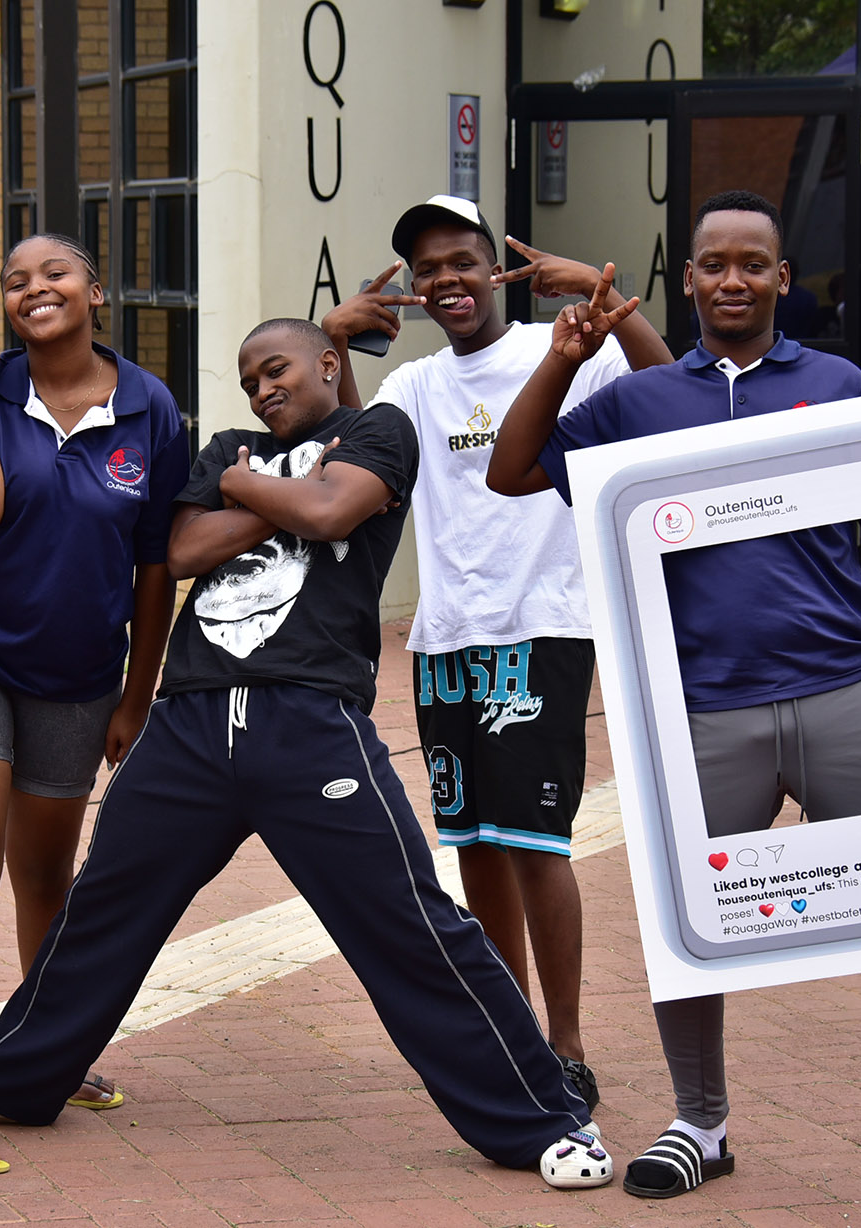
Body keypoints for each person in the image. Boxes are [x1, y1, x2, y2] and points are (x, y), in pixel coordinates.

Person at [487, 191, 861, 1228]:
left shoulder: (837, 384)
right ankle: (700, 1125)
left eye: (752, 263)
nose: (731, 279)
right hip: (699, 714)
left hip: (843, 693)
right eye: (712, 263)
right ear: (688, 279)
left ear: (782, 278)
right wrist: (563, 356)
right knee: (688, 929)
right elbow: (510, 470)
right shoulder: (638, 402)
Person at [0, 318, 613, 1190]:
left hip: (309, 719)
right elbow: (184, 550)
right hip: (189, 722)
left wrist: (243, 489)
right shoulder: (227, 447)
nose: (263, 390)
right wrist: (269, 488)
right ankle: (9, 1082)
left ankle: (540, 1122)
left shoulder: (379, 431)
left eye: (277, 370)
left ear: (329, 364)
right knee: (101, 910)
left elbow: (332, 511)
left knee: (408, 925)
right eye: (250, 380)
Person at [321, 194, 672, 1108]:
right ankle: (513, 1033)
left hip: (543, 625)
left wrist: (605, 296)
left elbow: (670, 387)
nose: (447, 280)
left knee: (536, 843)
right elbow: (357, 455)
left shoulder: (563, 351)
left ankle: (567, 1043)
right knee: (475, 844)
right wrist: (335, 344)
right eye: (428, 269)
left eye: (462, 261)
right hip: (446, 636)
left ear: (497, 269)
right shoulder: (415, 385)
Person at [0, 234, 187, 1174]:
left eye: (54, 273)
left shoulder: (150, 406)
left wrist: (137, 692)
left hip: (77, 669)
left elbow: (154, 566)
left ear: (95, 291)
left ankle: (42, 1049)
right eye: (14, 280)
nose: (33, 288)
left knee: (47, 875)